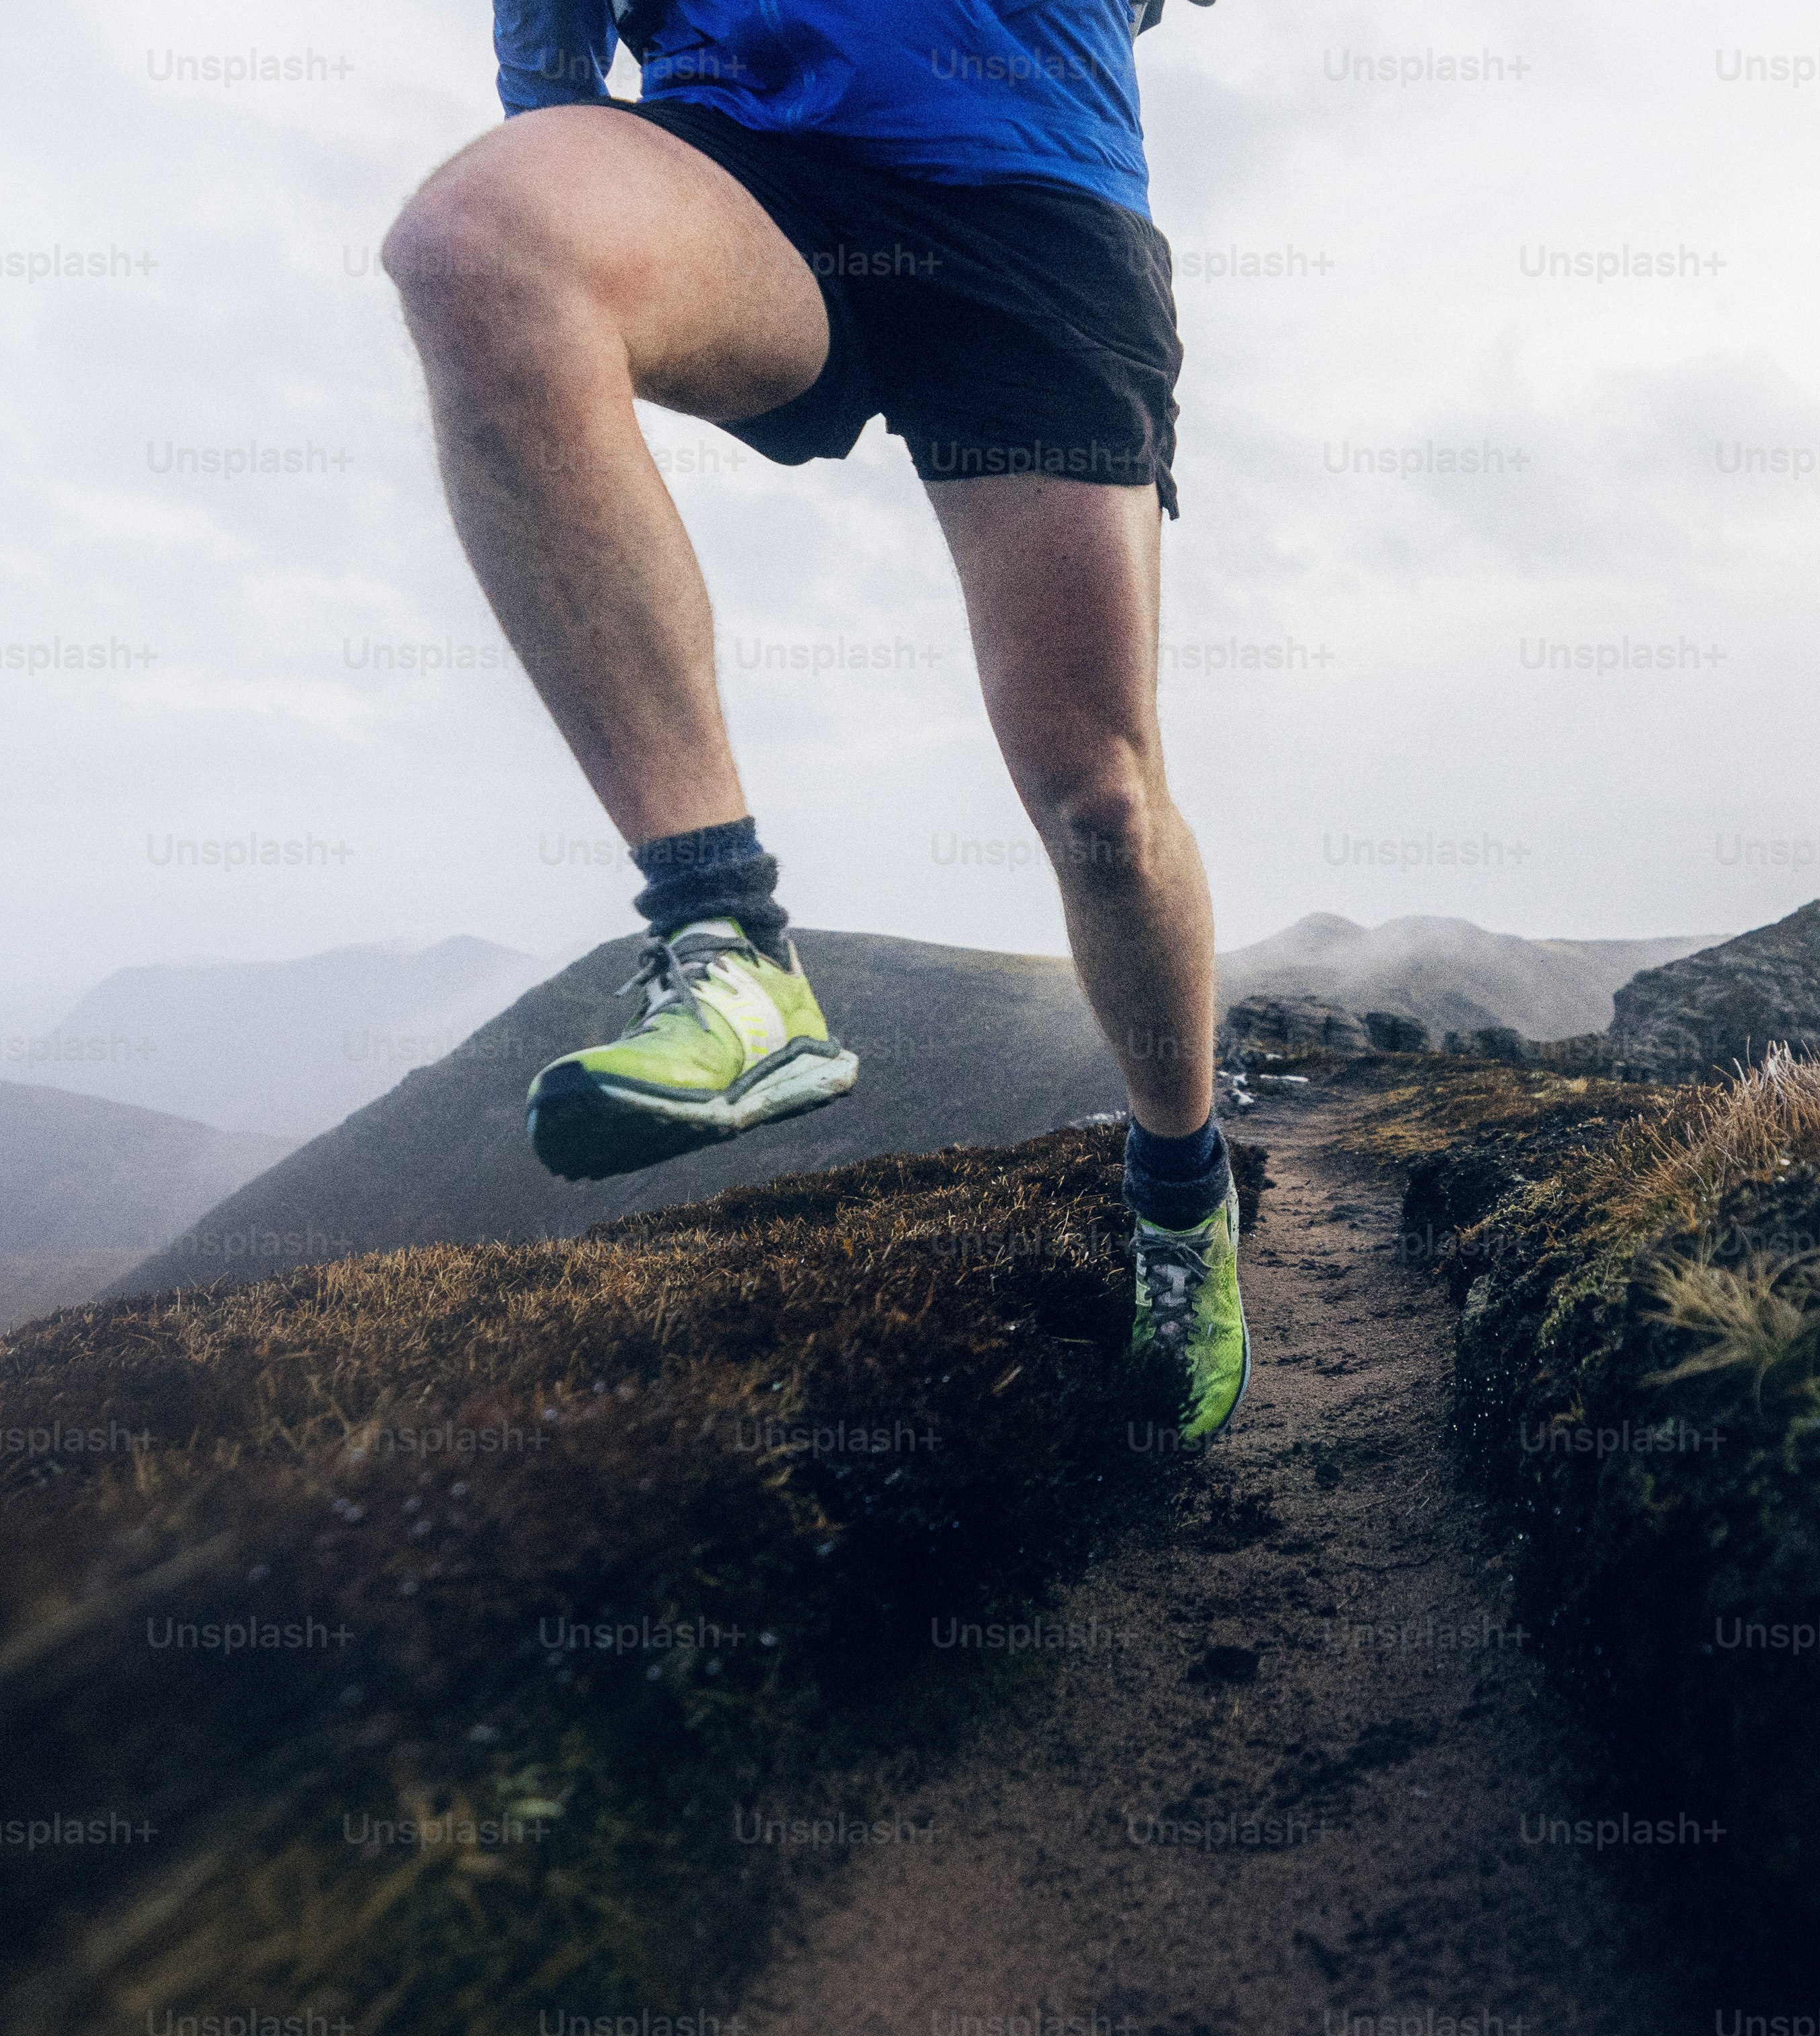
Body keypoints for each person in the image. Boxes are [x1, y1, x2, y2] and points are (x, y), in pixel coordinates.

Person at [377, 0, 1246, 1441]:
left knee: (1100, 801)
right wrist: (571, 136)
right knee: (475, 243)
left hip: (1034, 192)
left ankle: (1178, 1200)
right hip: (748, 156)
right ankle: (725, 944)